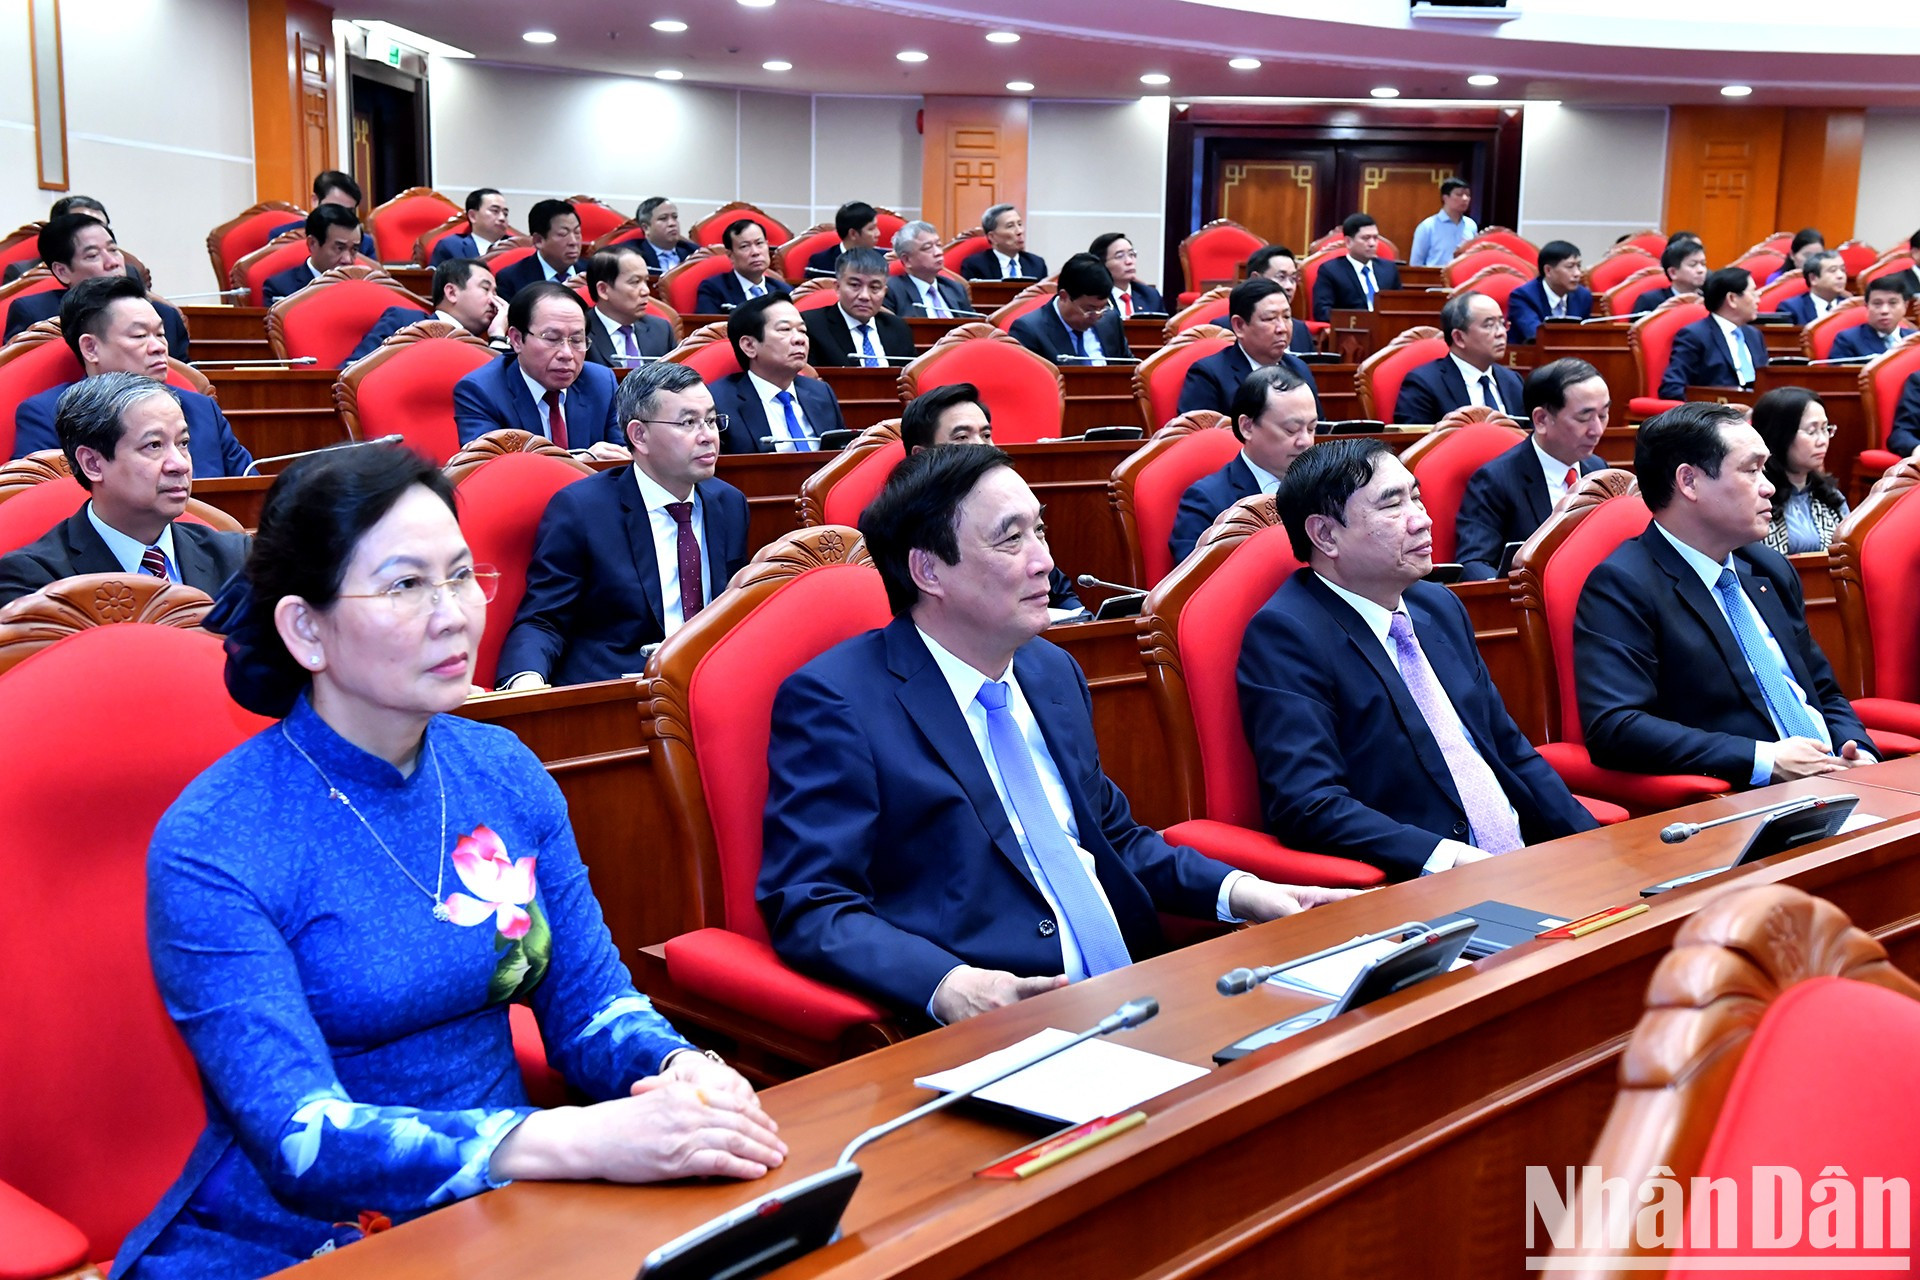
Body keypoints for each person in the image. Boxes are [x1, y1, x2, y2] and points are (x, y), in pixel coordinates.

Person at [112, 444, 782, 1277]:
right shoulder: (216, 838)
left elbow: (590, 1008)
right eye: (405, 585)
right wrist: (572, 1136)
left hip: (504, 1207)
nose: (454, 614)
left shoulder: (501, 768)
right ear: (304, 628)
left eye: (462, 576)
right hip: (290, 1240)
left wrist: (682, 1068)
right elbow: (303, 1137)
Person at [757, 443, 1355, 1022]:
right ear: (928, 570)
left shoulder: (1050, 669)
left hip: (1142, 992)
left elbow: (1115, 838)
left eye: (1039, 531)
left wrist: (1244, 892)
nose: (1044, 559)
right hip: (1001, 1020)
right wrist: (946, 985)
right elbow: (811, 903)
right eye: (1010, 538)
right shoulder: (838, 700)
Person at [1236, 438, 1596, 879]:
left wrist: (1591, 844)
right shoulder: (1288, 634)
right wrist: (1451, 859)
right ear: (1326, 534)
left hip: (1524, 862)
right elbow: (1309, 803)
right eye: (1392, 506)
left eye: (1417, 497)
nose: (1423, 520)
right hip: (1417, 885)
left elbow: (1510, 750)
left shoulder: (1438, 607)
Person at [1574, 402, 1874, 788]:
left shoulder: (1768, 568)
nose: (1769, 486)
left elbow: (1824, 691)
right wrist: (1763, 758)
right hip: (1742, 803)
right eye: (1751, 470)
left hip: (1836, 780)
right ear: (1689, 482)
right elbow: (1616, 726)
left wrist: (1857, 750)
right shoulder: (1622, 584)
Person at [498, 363, 751, 691]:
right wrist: (526, 679)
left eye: (711, 420)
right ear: (639, 435)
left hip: (710, 683)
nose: (708, 436)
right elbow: (544, 617)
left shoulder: (728, 504)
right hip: (616, 689)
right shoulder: (583, 509)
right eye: (688, 422)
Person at [0, 373, 250, 606]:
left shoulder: (235, 557)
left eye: (183, 443)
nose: (181, 464)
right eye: (153, 445)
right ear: (93, 463)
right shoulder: (35, 581)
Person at [13, 276, 252, 475]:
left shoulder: (202, 409)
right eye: (139, 336)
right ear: (91, 348)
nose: (158, 347)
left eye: (160, 334)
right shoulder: (47, 415)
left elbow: (248, 493)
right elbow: (41, 503)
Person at [899, 383, 1084, 617]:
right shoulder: (900, 524)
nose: (981, 447)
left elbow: (1062, 595)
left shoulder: (1010, 509)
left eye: (986, 435)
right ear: (921, 455)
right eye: (962, 437)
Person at [1453, 358, 1608, 580]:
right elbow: (1474, 563)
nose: (1597, 430)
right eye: (1584, 418)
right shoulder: (1496, 480)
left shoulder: (1598, 469)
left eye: (1603, 415)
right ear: (1542, 419)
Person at [451, 281, 624, 458]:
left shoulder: (601, 383)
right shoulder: (482, 391)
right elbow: (487, 470)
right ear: (517, 340)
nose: (566, 354)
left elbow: (626, 458)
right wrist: (579, 461)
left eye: (576, 340)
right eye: (551, 338)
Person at [1168, 365, 1317, 565]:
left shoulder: (1327, 489)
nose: (1305, 441)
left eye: (1312, 428)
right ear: (1247, 427)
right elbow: (1194, 584)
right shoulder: (1207, 500)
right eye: (1291, 430)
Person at [4, 212, 191, 358]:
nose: (113, 262)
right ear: (62, 271)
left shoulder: (164, 315)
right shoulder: (35, 313)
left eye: (113, 250)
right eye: (93, 255)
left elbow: (184, 382)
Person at [710, 294, 846, 453]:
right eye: (785, 329)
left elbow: (842, 459)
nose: (799, 339)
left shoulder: (822, 393)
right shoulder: (718, 403)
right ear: (749, 346)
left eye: (802, 330)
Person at [1176, 277, 1320, 419]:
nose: (1282, 328)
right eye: (1270, 319)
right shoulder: (1209, 375)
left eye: (1287, 317)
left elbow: (1318, 429)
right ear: (1239, 326)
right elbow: (1200, 437)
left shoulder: (1299, 368)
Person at [1394, 291, 1524, 424]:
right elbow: (1416, 442)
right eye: (1489, 325)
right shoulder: (1424, 384)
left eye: (1502, 324)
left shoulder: (1513, 381)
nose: (1501, 333)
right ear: (1459, 338)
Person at [346, 257, 505, 365]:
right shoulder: (403, 320)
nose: (494, 301)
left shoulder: (489, 343)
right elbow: (351, 369)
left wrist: (498, 334)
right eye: (486, 289)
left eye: (496, 293)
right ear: (451, 293)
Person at [1752, 387, 1848, 555]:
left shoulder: (1830, 496)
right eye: (1811, 431)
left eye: (1826, 429)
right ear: (1780, 435)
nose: (1822, 440)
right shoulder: (1756, 498)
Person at [1659, 267, 1768, 398]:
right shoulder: (1695, 336)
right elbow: (1672, 388)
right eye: (1753, 293)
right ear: (1732, 299)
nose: (1758, 300)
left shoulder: (1754, 335)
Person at [1008, 253, 1133, 366]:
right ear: (1064, 297)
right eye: (1090, 309)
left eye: (1103, 307)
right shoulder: (1029, 330)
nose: (1096, 316)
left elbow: (1128, 368)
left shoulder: (1110, 320)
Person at [802, 246, 915, 368]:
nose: (864, 296)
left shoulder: (898, 328)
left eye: (874, 288)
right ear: (837, 287)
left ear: (884, 291)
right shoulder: (812, 326)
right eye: (855, 285)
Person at [1203, 246, 1316, 353]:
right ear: (1255, 278)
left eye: (1293, 278)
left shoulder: (1301, 330)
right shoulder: (1226, 327)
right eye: (1281, 277)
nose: (1289, 286)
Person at [582, 244, 675, 368]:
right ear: (603, 290)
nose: (646, 291)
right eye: (635, 282)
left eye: (646, 281)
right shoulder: (580, 333)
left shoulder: (661, 330)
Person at [261, 204, 364, 306]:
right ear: (312, 244)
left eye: (354, 249)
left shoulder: (364, 285)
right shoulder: (281, 288)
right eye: (339, 248)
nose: (347, 259)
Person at [262, 170, 375, 257]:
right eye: (334, 208)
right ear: (315, 201)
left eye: (349, 211)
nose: (341, 215)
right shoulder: (281, 236)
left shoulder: (365, 242)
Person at [1311, 214, 1402, 322]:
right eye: (1366, 238)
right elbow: (1322, 312)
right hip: (1352, 332)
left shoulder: (1389, 269)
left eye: (1375, 238)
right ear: (1348, 242)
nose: (1372, 243)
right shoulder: (1331, 270)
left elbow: (1399, 305)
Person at [492, 199, 583, 303]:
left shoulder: (593, 273)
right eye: (562, 234)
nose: (573, 241)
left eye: (577, 232)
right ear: (538, 241)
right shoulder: (511, 279)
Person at [693, 219, 790, 314]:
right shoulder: (714, 289)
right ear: (730, 255)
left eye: (759, 243)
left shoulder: (784, 290)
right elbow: (708, 328)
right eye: (745, 246)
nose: (755, 252)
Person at [1506, 240, 1592, 343]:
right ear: (1548, 270)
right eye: (1570, 267)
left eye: (1578, 266)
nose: (1577, 273)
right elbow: (1536, 335)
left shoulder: (1583, 296)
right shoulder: (1523, 297)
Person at [886, 220, 972, 318]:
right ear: (906, 260)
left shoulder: (955, 288)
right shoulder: (891, 291)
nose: (938, 252)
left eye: (939, 245)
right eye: (927, 248)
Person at [1830, 275, 1917, 361]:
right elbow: (1841, 374)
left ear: (1905, 306)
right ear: (1867, 306)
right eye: (1877, 303)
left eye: (1892, 303)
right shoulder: (1847, 340)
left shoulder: (1915, 339)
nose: (1884, 311)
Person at [958, 204, 1046, 280]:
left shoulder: (1037, 264)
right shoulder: (975, 266)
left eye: (1019, 224)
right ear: (992, 237)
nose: (1019, 231)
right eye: (1010, 226)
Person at [428, 188, 513, 265]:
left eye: (505, 214)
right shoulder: (450, 247)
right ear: (473, 216)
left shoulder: (516, 246)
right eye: (495, 211)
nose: (502, 218)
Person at [1089, 232, 1163, 315]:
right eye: (1120, 256)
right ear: (1101, 264)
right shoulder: (1093, 298)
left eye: (1131, 254)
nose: (1129, 261)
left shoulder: (1150, 296)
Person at [1408, 179, 1477, 268]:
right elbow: (1416, 263)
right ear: (1445, 197)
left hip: (1464, 277)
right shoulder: (1428, 226)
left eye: (1468, 195)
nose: (1465, 199)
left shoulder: (1471, 225)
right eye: (1459, 194)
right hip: (1434, 277)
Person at [1631, 238, 1707, 314]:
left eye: (1703, 264)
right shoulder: (1650, 301)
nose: (1701, 270)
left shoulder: (1711, 300)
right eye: (1693, 265)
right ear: (1673, 273)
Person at [1777, 250, 1851, 327]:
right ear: (1813, 278)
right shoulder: (1792, 308)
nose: (1841, 275)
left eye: (1843, 270)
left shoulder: (1850, 307)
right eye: (1833, 270)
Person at [806, 200, 880, 276]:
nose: (878, 233)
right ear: (853, 234)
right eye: (871, 229)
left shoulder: (883, 259)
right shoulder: (820, 264)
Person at [632, 197, 699, 275]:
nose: (672, 223)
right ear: (646, 228)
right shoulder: (633, 257)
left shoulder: (694, 253)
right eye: (663, 218)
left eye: (675, 217)